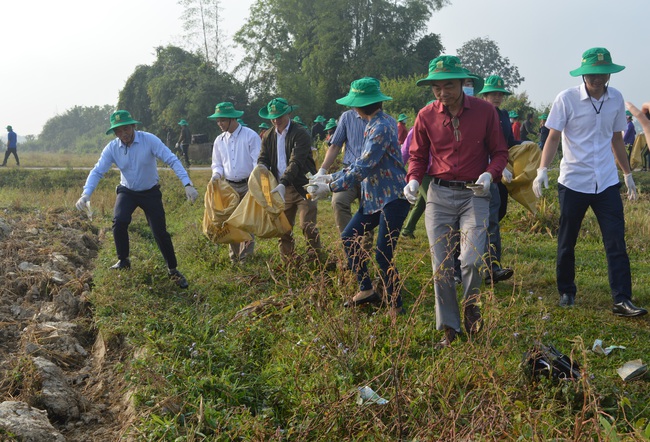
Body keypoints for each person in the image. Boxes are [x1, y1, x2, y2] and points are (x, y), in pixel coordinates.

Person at [533, 47, 646, 317]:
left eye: (602, 73)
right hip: (573, 181)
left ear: (609, 73)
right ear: (583, 73)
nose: (597, 79)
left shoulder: (616, 98)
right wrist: (542, 169)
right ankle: (567, 291)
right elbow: (552, 136)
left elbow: (617, 139)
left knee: (616, 240)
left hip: (606, 181)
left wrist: (628, 174)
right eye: (592, 74)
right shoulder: (567, 99)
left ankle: (622, 299)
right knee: (567, 239)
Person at [404, 55, 508, 347]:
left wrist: (490, 174)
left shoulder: (486, 112)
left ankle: (471, 307)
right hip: (438, 194)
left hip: (475, 192)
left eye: (447, 85)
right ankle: (450, 328)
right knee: (441, 266)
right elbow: (417, 155)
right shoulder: (425, 115)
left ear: (464, 83)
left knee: (473, 259)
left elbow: (500, 152)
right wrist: (413, 178)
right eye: (436, 87)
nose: (441, 93)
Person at [307, 77, 410, 315]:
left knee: (383, 254)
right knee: (349, 237)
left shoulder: (382, 127)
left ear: (359, 105)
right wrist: (329, 177)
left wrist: (331, 188)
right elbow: (357, 164)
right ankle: (365, 288)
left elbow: (363, 166)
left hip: (392, 198)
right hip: (372, 196)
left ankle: (396, 304)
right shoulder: (372, 124)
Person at [75, 110, 199, 288]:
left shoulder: (149, 140)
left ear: (133, 126)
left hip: (150, 192)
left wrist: (187, 183)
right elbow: (98, 171)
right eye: (119, 131)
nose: (123, 134)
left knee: (159, 232)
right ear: (115, 133)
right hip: (128, 191)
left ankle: (173, 270)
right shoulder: (112, 148)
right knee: (119, 221)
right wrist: (86, 193)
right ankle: (123, 260)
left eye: (126, 129)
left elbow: (171, 159)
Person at [257, 98, 323, 263]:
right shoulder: (268, 135)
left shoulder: (300, 133)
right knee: (284, 229)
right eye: (273, 117)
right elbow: (263, 157)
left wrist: (283, 182)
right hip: (282, 189)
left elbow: (296, 161)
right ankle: (288, 262)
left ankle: (315, 260)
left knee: (307, 226)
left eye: (279, 117)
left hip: (304, 186)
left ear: (288, 114)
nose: (276, 120)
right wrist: (262, 166)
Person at [208, 102, 261, 263]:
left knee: (246, 222)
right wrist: (216, 175)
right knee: (230, 222)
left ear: (232, 119)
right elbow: (217, 163)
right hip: (229, 186)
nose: (220, 124)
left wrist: (254, 183)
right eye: (218, 121)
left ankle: (246, 257)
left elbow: (257, 161)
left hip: (247, 184)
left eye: (222, 120)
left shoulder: (250, 136)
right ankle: (234, 257)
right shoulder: (219, 140)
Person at [477, 75, 517, 284]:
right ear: (484, 95)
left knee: (497, 214)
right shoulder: (478, 114)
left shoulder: (502, 115)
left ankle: (489, 262)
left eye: (500, 94)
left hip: (499, 172)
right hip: (480, 173)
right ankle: (490, 267)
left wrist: (529, 146)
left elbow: (508, 142)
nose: (497, 97)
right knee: (487, 219)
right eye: (493, 93)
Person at [314, 100, 368, 237]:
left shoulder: (380, 121)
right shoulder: (347, 117)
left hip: (370, 175)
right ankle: (350, 243)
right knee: (338, 201)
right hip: (347, 171)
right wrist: (322, 170)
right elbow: (335, 145)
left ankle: (364, 253)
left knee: (368, 212)